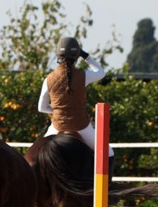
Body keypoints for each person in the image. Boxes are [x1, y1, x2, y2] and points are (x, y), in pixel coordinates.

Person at [37, 36, 114, 172]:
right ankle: (107, 184)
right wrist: (85, 56)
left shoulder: (48, 79)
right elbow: (101, 73)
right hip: (81, 127)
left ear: (58, 56)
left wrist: (58, 111)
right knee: (108, 152)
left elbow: (41, 107)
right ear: (77, 56)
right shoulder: (84, 75)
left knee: (37, 154)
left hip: (57, 127)